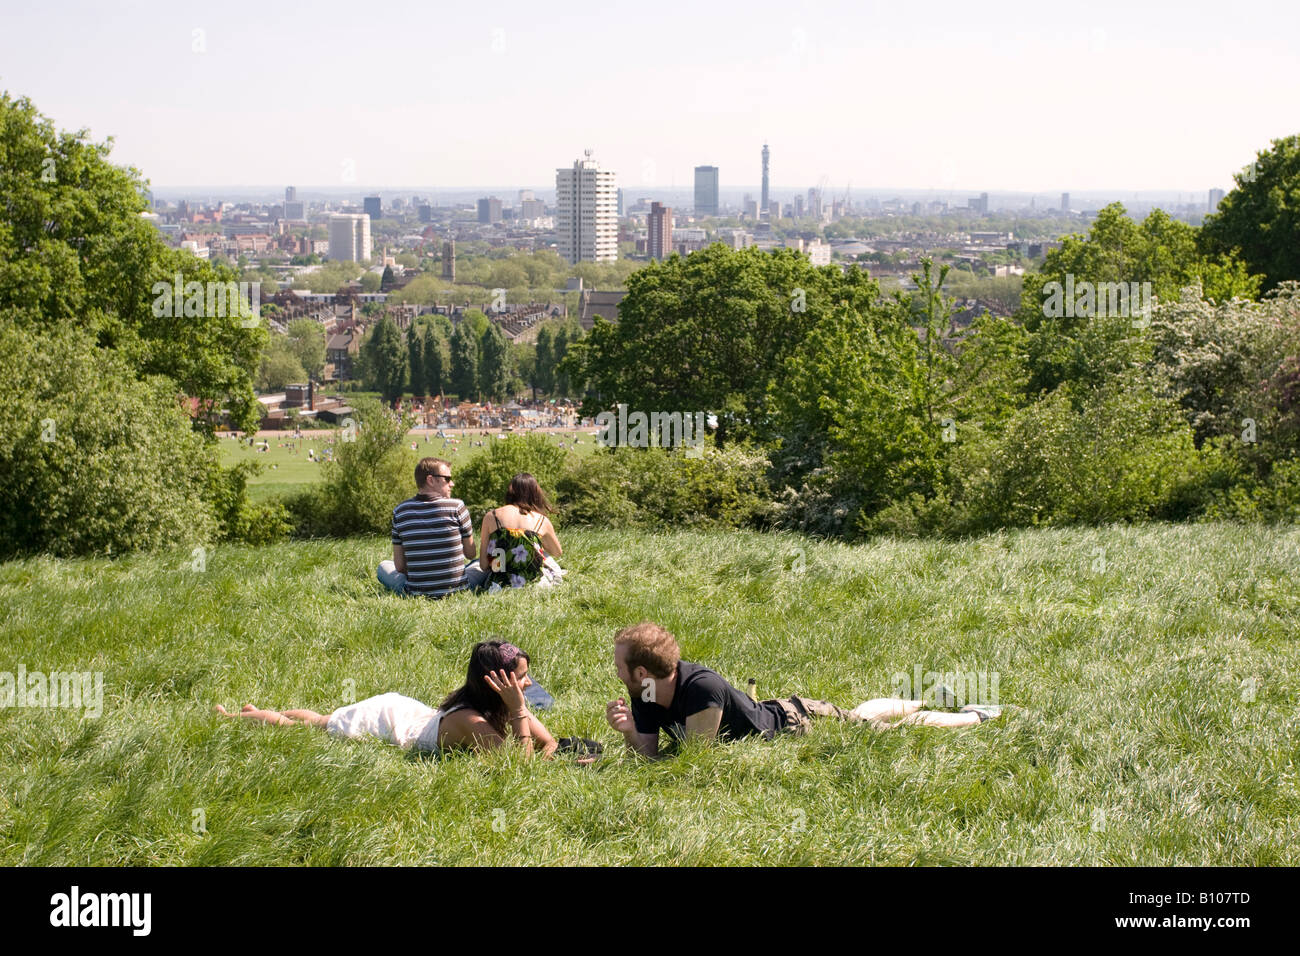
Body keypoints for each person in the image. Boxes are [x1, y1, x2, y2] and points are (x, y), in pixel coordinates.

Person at [605, 621, 1002, 758]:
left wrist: (636, 741)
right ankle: (920, 698)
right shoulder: (647, 692)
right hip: (788, 713)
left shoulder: (700, 688)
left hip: (796, 723)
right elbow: (650, 755)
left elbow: (692, 760)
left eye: (620, 664)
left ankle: (973, 715)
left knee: (885, 729)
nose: (616, 671)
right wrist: (628, 734)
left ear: (641, 671)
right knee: (861, 714)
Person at [215, 640, 557, 758]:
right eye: (522, 676)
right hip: (387, 721)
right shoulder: (470, 721)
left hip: (411, 712)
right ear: (495, 681)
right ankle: (238, 716)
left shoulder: (502, 704)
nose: (529, 683)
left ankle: (258, 711)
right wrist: (517, 710)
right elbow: (517, 768)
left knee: (322, 717)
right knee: (318, 724)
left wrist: (519, 712)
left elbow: (549, 744)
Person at [378, 457, 487, 598]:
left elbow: (400, 567)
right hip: (457, 590)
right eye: (447, 479)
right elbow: (470, 554)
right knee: (479, 563)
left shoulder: (400, 511)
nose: (452, 484)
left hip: (415, 593)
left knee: (383, 566)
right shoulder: (457, 507)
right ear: (430, 480)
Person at [475, 473, 564, 592]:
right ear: (535, 494)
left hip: (497, 586)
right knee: (546, 556)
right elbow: (557, 552)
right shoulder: (542, 520)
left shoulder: (491, 517)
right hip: (535, 587)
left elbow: (483, 565)